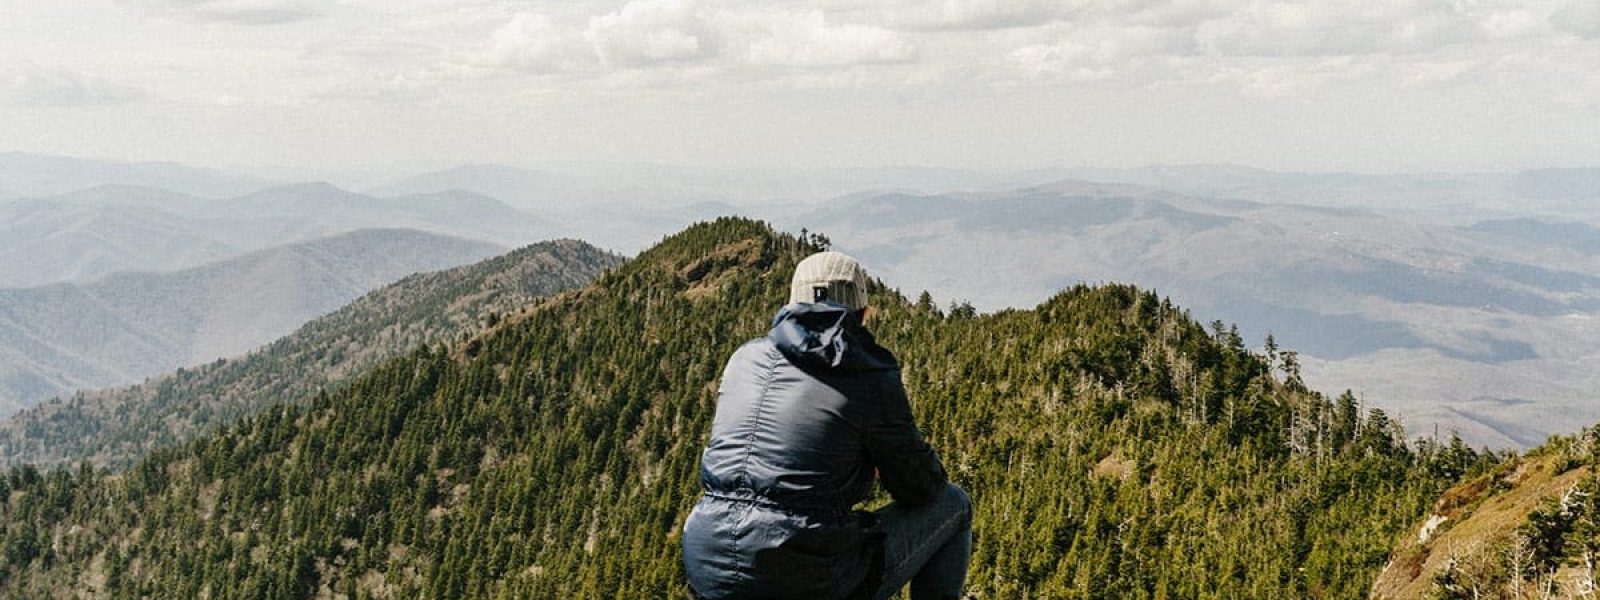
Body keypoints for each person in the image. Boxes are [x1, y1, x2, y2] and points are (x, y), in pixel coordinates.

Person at [682, 251, 972, 600]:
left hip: (706, 560)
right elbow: (921, 487)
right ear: (862, 313)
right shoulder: (868, 375)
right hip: (802, 575)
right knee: (954, 505)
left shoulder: (744, 358)